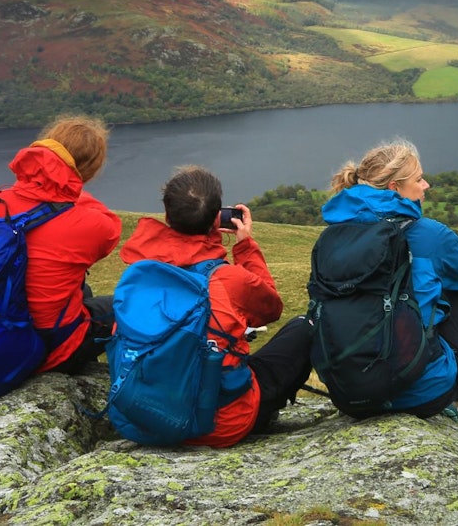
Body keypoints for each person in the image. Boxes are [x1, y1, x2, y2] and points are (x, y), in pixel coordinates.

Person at [118, 166, 313, 448]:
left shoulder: (138, 274)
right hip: (221, 424)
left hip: (144, 416)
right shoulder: (226, 278)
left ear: (166, 212)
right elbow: (271, 307)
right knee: (304, 327)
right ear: (215, 218)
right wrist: (245, 246)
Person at [0, 114, 122, 374]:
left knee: (83, 292)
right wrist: (69, 189)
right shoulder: (93, 225)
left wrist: (44, 184)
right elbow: (110, 227)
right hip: (41, 352)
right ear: (88, 171)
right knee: (126, 308)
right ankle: (98, 383)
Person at [320, 139, 458, 418]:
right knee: (457, 288)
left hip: (348, 393)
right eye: (419, 179)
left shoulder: (333, 238)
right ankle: (453, 392)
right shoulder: (430, 233)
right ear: (396, 188)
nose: (426, 185)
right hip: (423, 394)